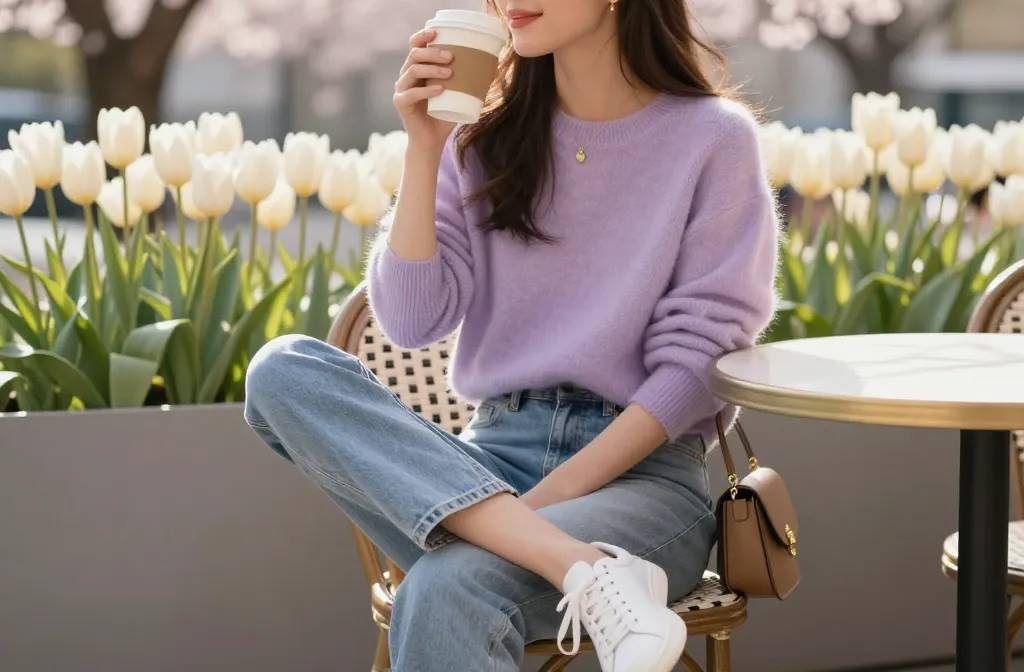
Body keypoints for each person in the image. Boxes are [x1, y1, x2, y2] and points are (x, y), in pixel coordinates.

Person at [243, 0, 779, 669]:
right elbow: (413, 320)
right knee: (281, 369)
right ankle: (586, 569)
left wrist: (535, 506)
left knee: (445, 589)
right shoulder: (482, 140)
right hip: (487, 460)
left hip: (640, 481)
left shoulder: (714, 138)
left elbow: (698, 365)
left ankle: (580, 559)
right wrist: (425, 145)